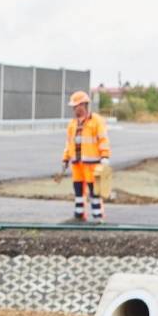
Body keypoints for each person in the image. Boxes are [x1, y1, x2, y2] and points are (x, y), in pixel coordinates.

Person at [62, 91, 110, 223]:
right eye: (73, 106)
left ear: (83, 105)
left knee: (94, 192)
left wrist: (105, 156)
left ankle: (98, 217)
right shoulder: (72, 124)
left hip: (92, 164)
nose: (74, 109)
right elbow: (69, 143)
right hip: (77, 164)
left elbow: (103, 140)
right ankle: (79, 215)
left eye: (76, 105)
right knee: (78, 191)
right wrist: (65, 158)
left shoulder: (96, 121)